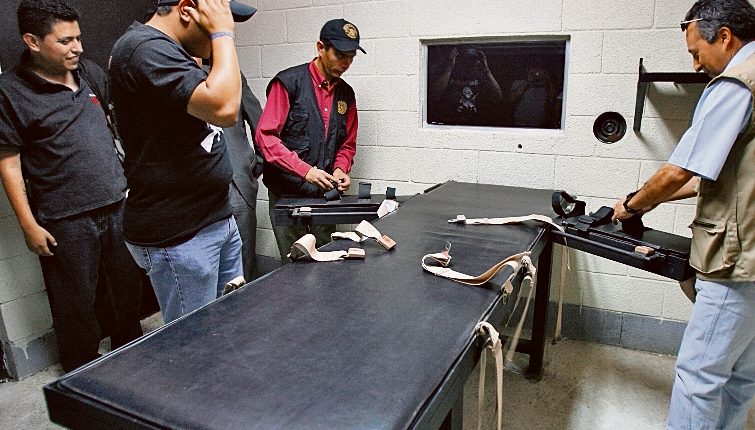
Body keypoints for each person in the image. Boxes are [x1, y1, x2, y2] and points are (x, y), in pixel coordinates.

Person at [611, 1, 755, 428]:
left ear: (724, 37)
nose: (695, 65)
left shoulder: (736, 83)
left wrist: (632, 205)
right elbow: (725, 174)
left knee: (699, 376)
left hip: (737, 261)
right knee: (741, 376)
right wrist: (653, 199)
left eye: (696, 52)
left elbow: (679, 171)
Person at [0, 0, 143, 372]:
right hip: (64, 218)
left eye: (78, 38)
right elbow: (9, 163)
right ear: (33, 41)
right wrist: (29, 225)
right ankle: (82, 373)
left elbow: (115, 126)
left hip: (116, 203)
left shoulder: (89, 72)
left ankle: (133, 357)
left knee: (127, 290)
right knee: (75, 303)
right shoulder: (10, 91)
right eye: (65, 41)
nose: (77, 47)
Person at [108, 0, 255, 322]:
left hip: (214, 217)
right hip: (181, 232)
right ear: (186, 10)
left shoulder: (170, 50)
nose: (217, 35)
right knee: (194, 339)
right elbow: (224, 109)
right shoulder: (143, 48)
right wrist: (222, 34)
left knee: (228, 324)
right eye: (214, 22)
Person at [256, 18, 362, 261]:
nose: (346, 63)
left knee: (328, 258)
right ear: (320, 47)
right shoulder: (288, 83)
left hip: (324, 196)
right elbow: (266, 137)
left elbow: (347, 144)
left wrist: (340, 169)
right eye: (340, 55)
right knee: (293, 264)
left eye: (351, 57)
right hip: (287, 195)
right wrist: (305, 171)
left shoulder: (346, 94)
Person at [429, 46, 503, 126]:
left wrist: (486, 70)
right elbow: (433, 96)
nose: (470, 63)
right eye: (466, 60)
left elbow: (498, 97)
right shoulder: (449, 75)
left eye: (473, 59)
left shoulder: (481, 76)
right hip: (451, 123)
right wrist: (449, 68)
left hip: (476, 123)